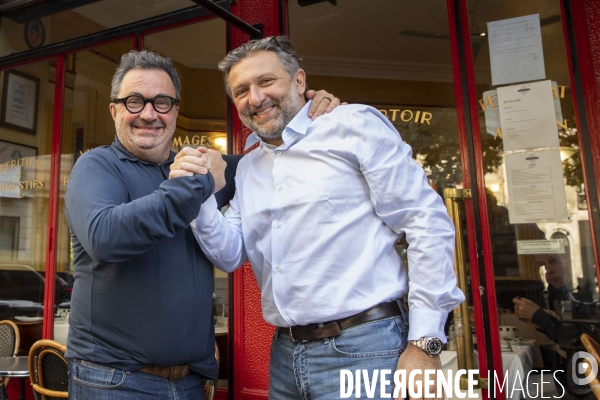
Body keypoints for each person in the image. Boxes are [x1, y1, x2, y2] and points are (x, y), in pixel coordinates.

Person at [172, 36, 465, 399]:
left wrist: (426, 344)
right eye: (241, 91)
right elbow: (229, 253)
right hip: (285, 355)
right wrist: (199, 195)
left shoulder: (351, 125)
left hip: (368, 348)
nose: (255, 97)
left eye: (266, 81)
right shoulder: (248, 167)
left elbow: (426, 222)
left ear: (299, 81)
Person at [64, 49, 340, 399]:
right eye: (135, 101)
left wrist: (311, 109)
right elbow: (106, 238)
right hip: (113, 381)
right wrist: (199, 183)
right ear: (114, 110)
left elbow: (276, 159)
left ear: (176, 111)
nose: (149, 114)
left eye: (162, 102)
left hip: (189, 383)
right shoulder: (98, 167)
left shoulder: (196, 167)